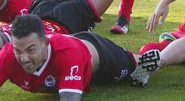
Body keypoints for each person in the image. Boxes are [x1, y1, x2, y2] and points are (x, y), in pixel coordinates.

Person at [0, 14, 137, 99]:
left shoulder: (67, 54)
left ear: (45, 43)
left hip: (101, 56)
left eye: (30, 50)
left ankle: (159, 53)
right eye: (18, 51)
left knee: (138, 65)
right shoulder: (7, 55)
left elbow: (69, 98)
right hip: (71, 53)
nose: (24, 58)